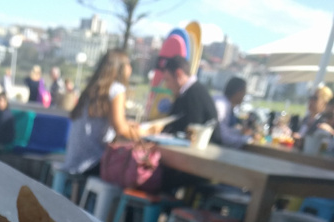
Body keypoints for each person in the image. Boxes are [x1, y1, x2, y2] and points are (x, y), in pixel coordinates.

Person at [61, 49, 140, 178]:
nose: (130, 69)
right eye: (128, 64)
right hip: (92, 162)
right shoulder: (116, 89)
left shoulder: (92, 88)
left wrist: (127, 124)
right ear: (120, 68)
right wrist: (148, 132)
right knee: (136, 171)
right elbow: (121, 129)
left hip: (74, 160)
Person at [159, 55, 221, 144]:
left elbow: (191, 130)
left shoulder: (194, 95)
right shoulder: (189, 92)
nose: (167, 85)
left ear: (178, 74)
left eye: (167, 80)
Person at [213, 77, 254, 149]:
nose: (244, 96)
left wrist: (238, 132)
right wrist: (247, 139)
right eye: (244, 93)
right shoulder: (221, 105)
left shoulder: (223, 102)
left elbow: (223, 130)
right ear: (238, 93)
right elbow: (223, 137)